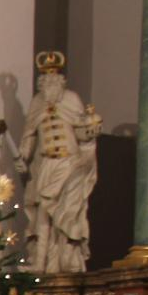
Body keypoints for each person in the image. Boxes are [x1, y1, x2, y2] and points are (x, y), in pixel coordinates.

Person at [17, 52, 100, 274]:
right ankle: (42, 262)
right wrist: (23, 156)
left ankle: (66, 260)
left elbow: (82, 130)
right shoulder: (37, 102)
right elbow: (30, 134)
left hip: (69, 162)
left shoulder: (71, 99)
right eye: (45, 79)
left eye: (53, 79)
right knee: (43, 211)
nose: (49, 83)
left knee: (65, 211)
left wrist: (89, 131)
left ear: (61, 80)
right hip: (46, 164)